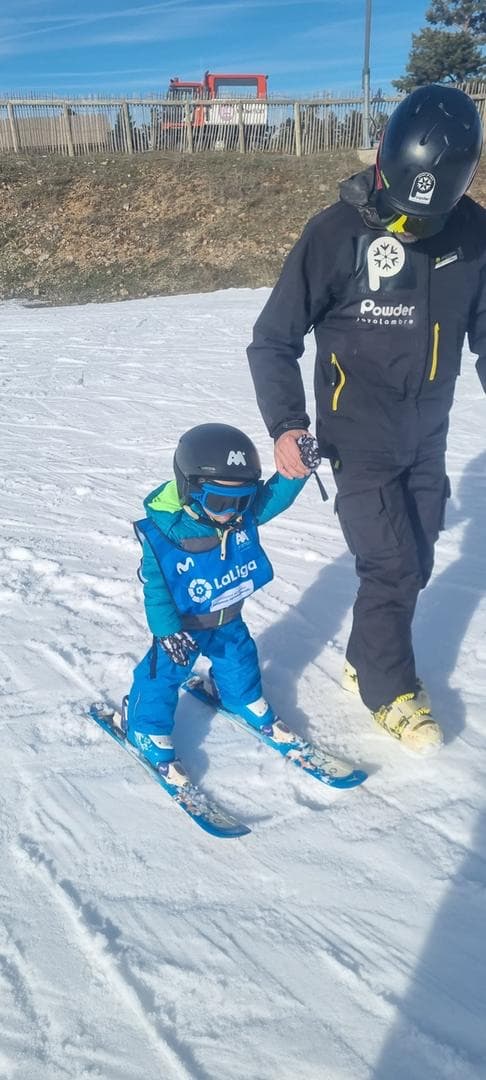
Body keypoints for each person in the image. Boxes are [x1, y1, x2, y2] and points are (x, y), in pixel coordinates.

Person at [247, 83, 486, 754]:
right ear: (383, 161)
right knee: (391, 563)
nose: (409, 228)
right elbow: (272, 340)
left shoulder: (474, 235)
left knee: (420, 552)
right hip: (356, 435)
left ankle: (365, 656)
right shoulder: (335, 233)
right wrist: (287, 423)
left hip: (428, 433)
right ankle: (389, 689)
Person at [124, 422, 313, 781]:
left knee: (239, 660)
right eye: (220, 501)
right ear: (190, 489)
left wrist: (297, 471)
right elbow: (157, 588)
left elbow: (273, 497)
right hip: (183, 628)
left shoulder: (238, 515)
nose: (232, 511)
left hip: (227, 617)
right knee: (163, 675)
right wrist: (166, 631)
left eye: (243, 499)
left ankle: (238, 698)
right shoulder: (166, 533)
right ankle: (144, 726)